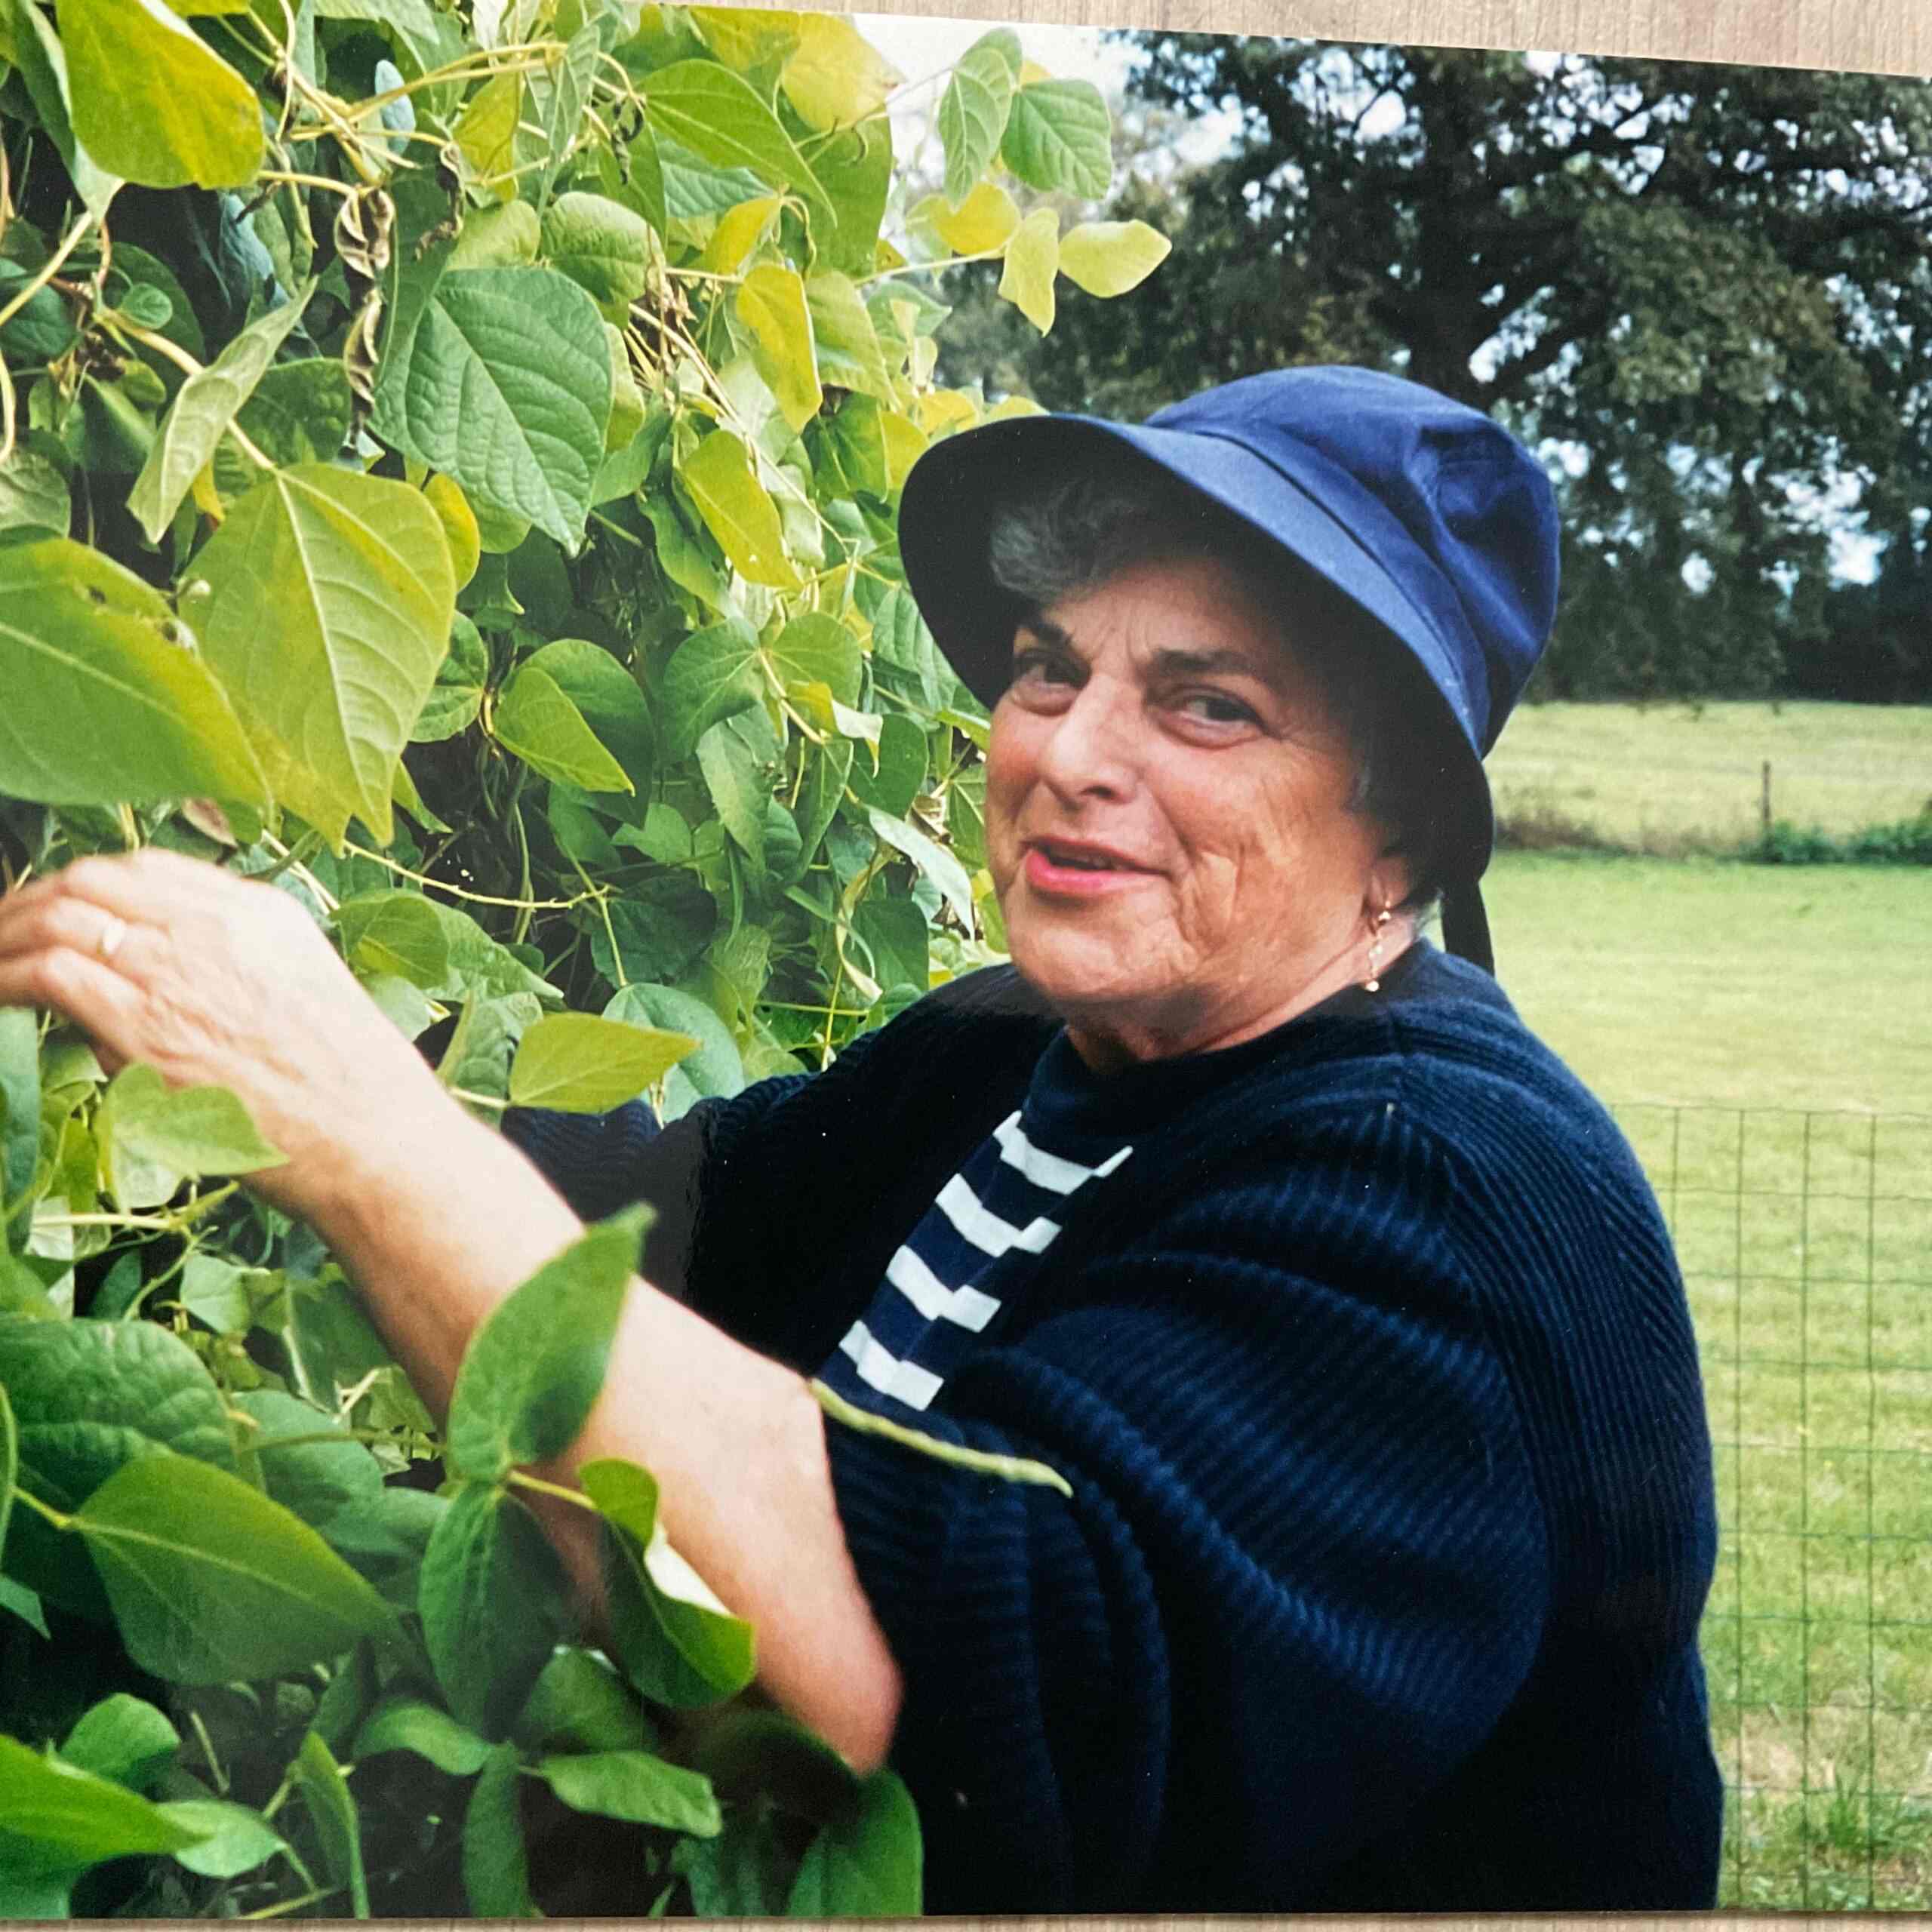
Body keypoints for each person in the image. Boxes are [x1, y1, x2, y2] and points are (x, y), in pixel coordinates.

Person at [0, 368, 1722, 1912]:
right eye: (1052, 669)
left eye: (1206, 706)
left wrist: (349, 1115)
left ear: (1398, 839)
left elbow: (917, 1697)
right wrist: (226, 1017)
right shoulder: (1015, 1048)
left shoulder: (1443, 1198)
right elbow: (661, 1216)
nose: (1068, 752)